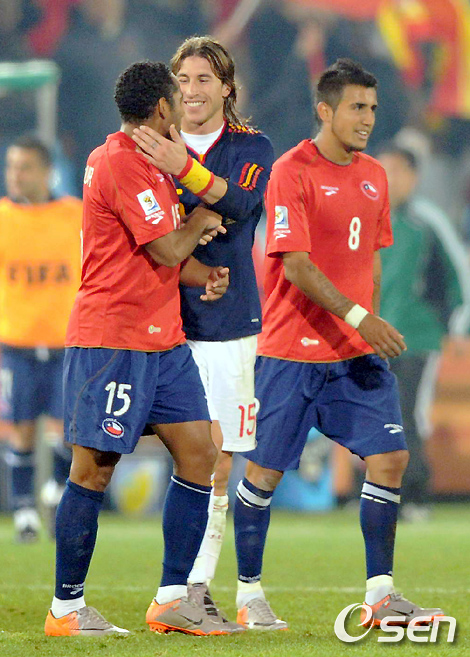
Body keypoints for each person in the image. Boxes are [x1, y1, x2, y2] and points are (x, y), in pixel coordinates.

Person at [230, 58, 444, 630]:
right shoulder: (290, 171)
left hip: (353, 353)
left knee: (391, 457)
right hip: (290, 351)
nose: (367, 118)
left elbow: (370, 257)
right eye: (356, 107)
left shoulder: (375, 175)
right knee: (264, 475)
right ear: (325, 110)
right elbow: (296, 266)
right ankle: (249, 595)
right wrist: (361, 317)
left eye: (372, 108)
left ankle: (381, 597)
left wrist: (366, 322)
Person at [44, 60, 239, 637]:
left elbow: (159, 258)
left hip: (163, 341)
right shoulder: (119, 162)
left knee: (201, 453)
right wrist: (203, 216)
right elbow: (164, 249)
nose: (183, 106)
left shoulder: (150, 163)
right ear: (161, 108)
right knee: (94, 470)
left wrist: (202, 273)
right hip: (113, 339)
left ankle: (173, 599)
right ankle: (66, 609)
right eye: (178, 96)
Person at [131, 35, 274, 626]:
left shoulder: (251, 145)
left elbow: (241, 204)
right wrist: (195, 208)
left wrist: (183, 171)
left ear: (226, 87)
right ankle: (79, 595)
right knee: (109, 454)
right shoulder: (148, 142)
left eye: (204, 80)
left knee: (217, 460)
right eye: (183, 80)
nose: (191, 91)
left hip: (227, 322)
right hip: (157, 319)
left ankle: (195, 586)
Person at [377, 143, 470, 521]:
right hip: (371, 337)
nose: (389, 179)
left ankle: (415, 494)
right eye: (383, 170)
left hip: (416, 336)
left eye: (396, 171)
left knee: (407, 411)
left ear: (413, 177)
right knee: (373, 415)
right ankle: (374, 492)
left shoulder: (427, 220)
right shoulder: (365, 219)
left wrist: (458, 326)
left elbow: (459, 270)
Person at [0, 135, 82, 542]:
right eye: (11, 166)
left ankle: (55, 490)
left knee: (67, 430)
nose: (16, 175)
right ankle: (25, 514)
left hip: (65, 343)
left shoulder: (74, 216)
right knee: (20, 429)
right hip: (16, 345)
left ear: (48, 172)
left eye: (25, 167)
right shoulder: (2, 218)